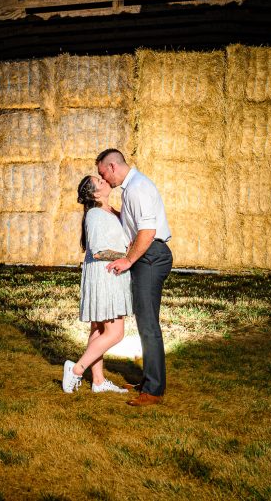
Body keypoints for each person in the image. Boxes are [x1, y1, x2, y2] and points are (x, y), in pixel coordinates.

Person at [95, 148, 172, 407]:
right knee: (145, 322)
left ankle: (154, 390)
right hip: (147, 256)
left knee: (148, 324)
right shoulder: (131, 189)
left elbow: (148, 231)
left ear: (113, 166)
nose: (103, 179)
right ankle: (149, 380)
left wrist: (129, 260)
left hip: (150, 256)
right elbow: (134, 224)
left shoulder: (138, 188)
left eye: (102, 173)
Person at [62, 174, 133, 395]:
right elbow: (99, 250)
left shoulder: (110, 211)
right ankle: (76, 369)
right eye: (99, 182)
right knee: (115, 333)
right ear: (94, 193)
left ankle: (99, 381)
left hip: (109, 273)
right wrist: (128, 255)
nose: (104, 180)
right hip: (105, 275)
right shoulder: (94, 214)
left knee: (99, 329)